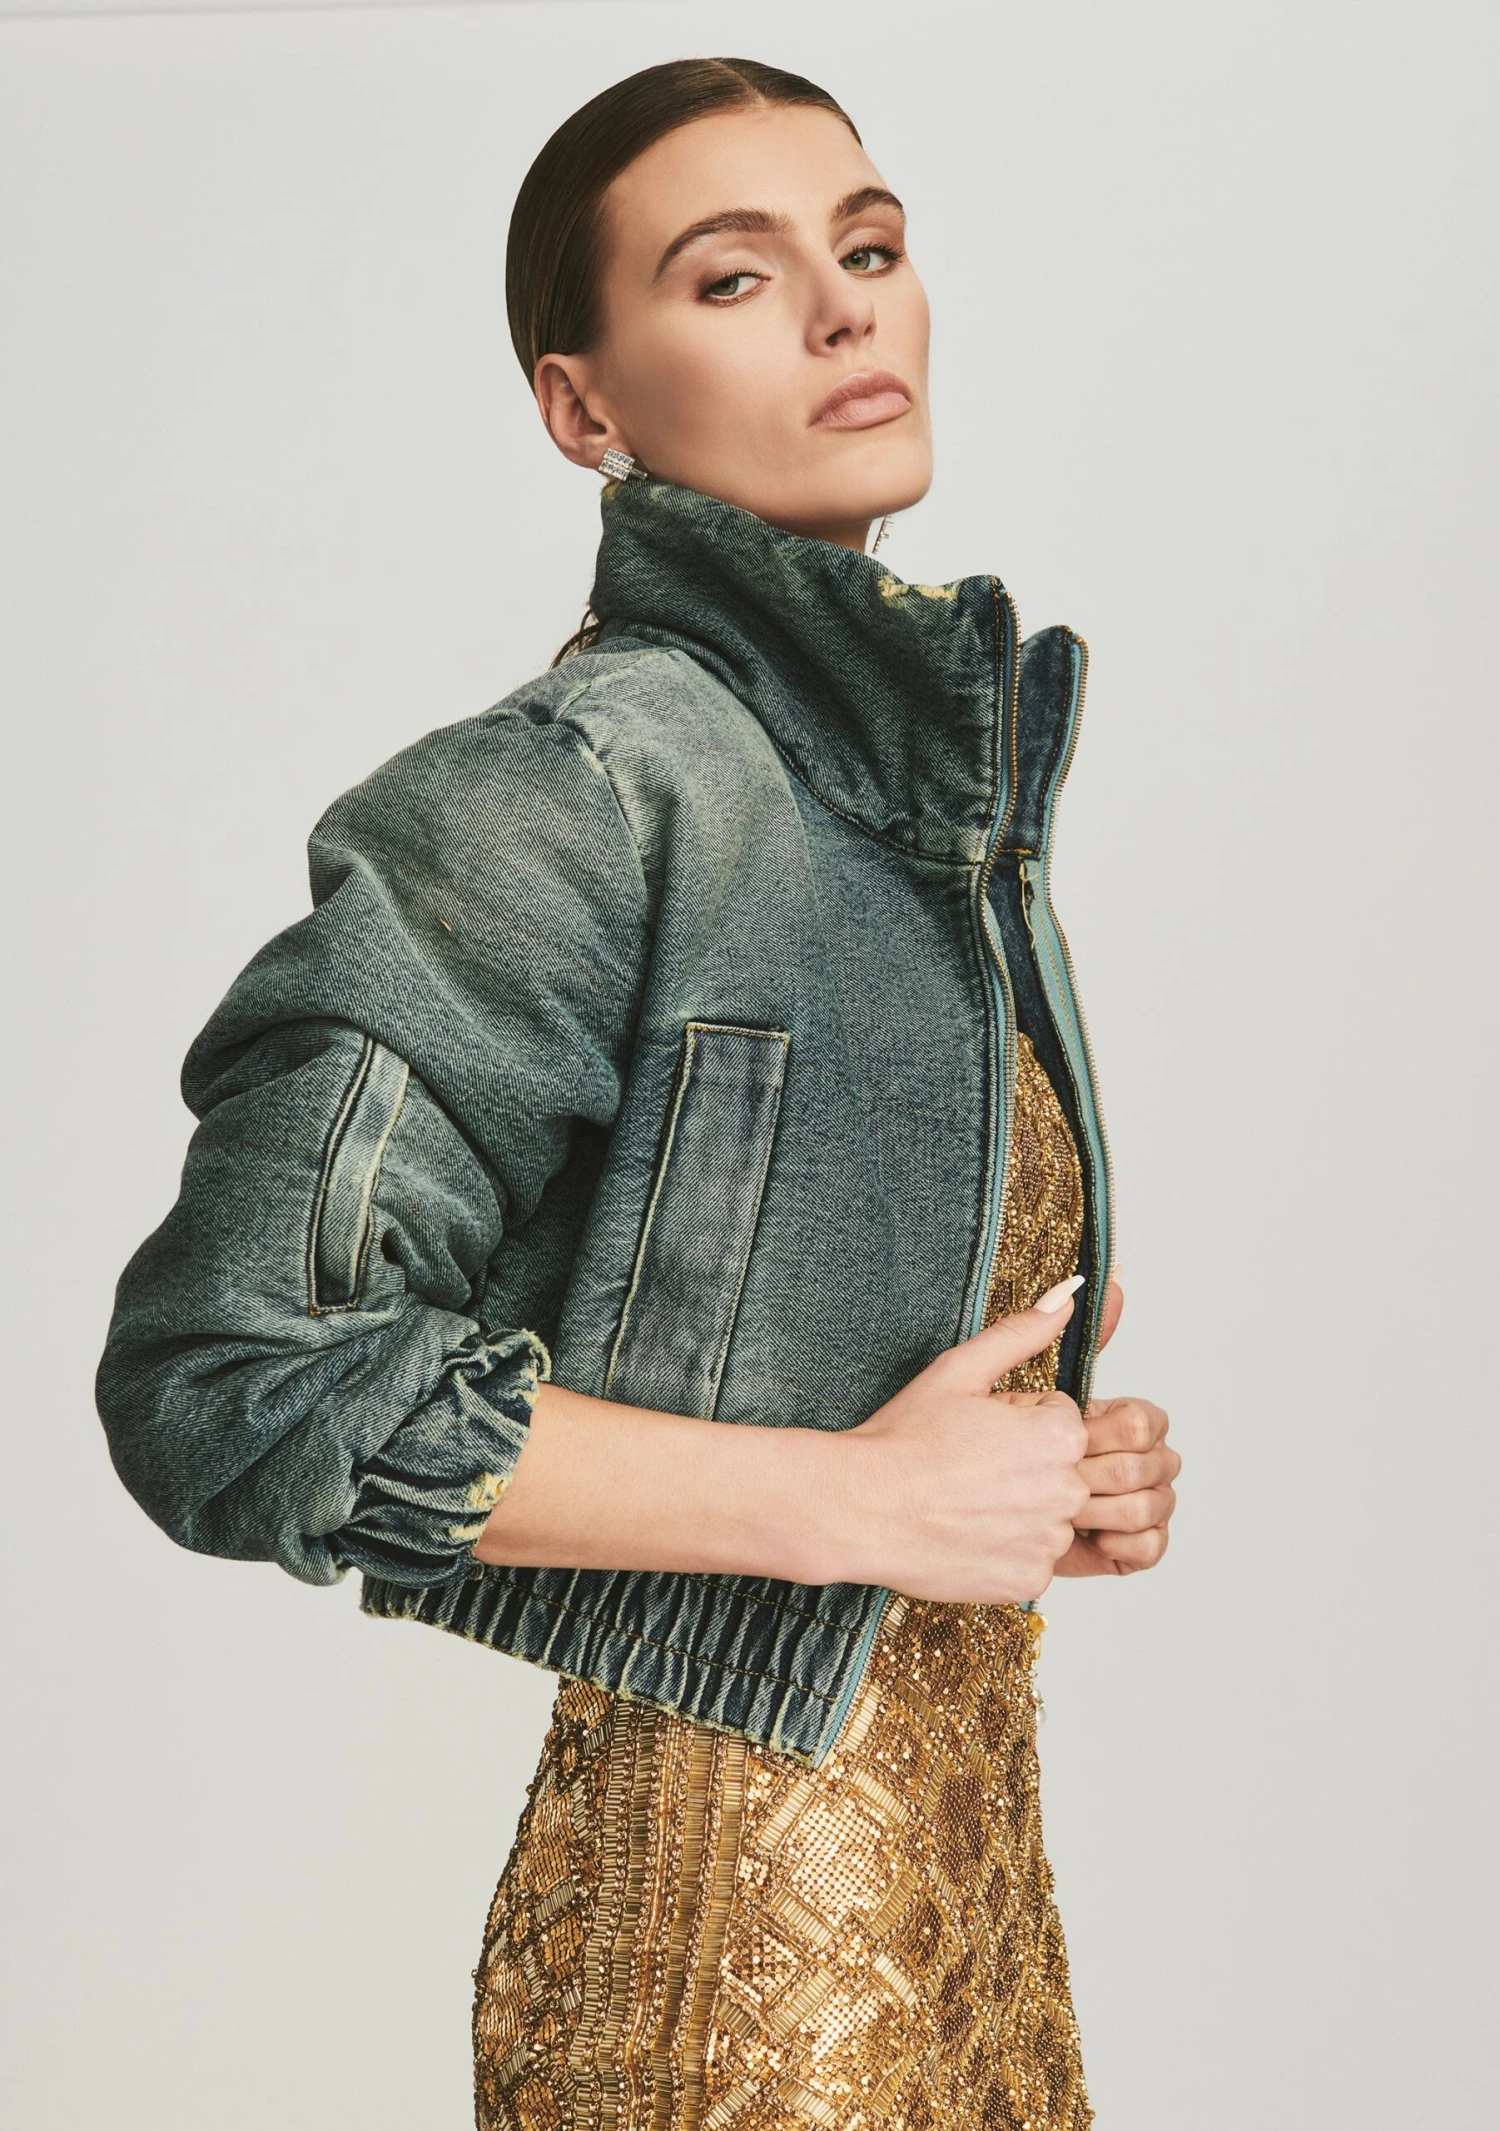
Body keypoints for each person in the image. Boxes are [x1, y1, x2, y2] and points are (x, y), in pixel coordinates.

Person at [95, 55, 1180, 2131]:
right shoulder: (571, 793)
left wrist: (1043, 1475)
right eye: (736, 278)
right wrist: (864, 1502)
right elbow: (228, 1378)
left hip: (968, 1957)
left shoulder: (914, 813)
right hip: (721, 2011)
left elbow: (780, 1373)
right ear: (583, 406)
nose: (847, 308)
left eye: (870, 245)